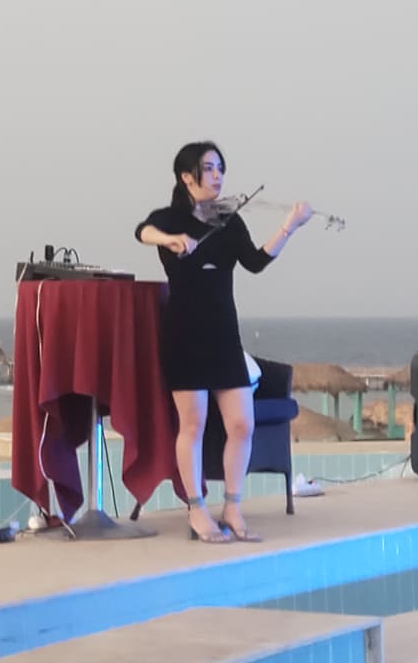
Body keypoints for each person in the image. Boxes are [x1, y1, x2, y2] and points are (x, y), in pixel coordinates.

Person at [135, 141, 312, 543]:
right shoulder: (169, 218)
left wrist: (289, 226)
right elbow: (141, 231)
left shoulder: (228, 220)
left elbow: (255, 261)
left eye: (220, 169)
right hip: (185, 333)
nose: (218, 176)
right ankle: (197, 509)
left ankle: (233, 506)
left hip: (223, 333)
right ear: (187, 176)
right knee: (193, 424)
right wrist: (170, 240)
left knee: (241, 423)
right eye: (209, 168)